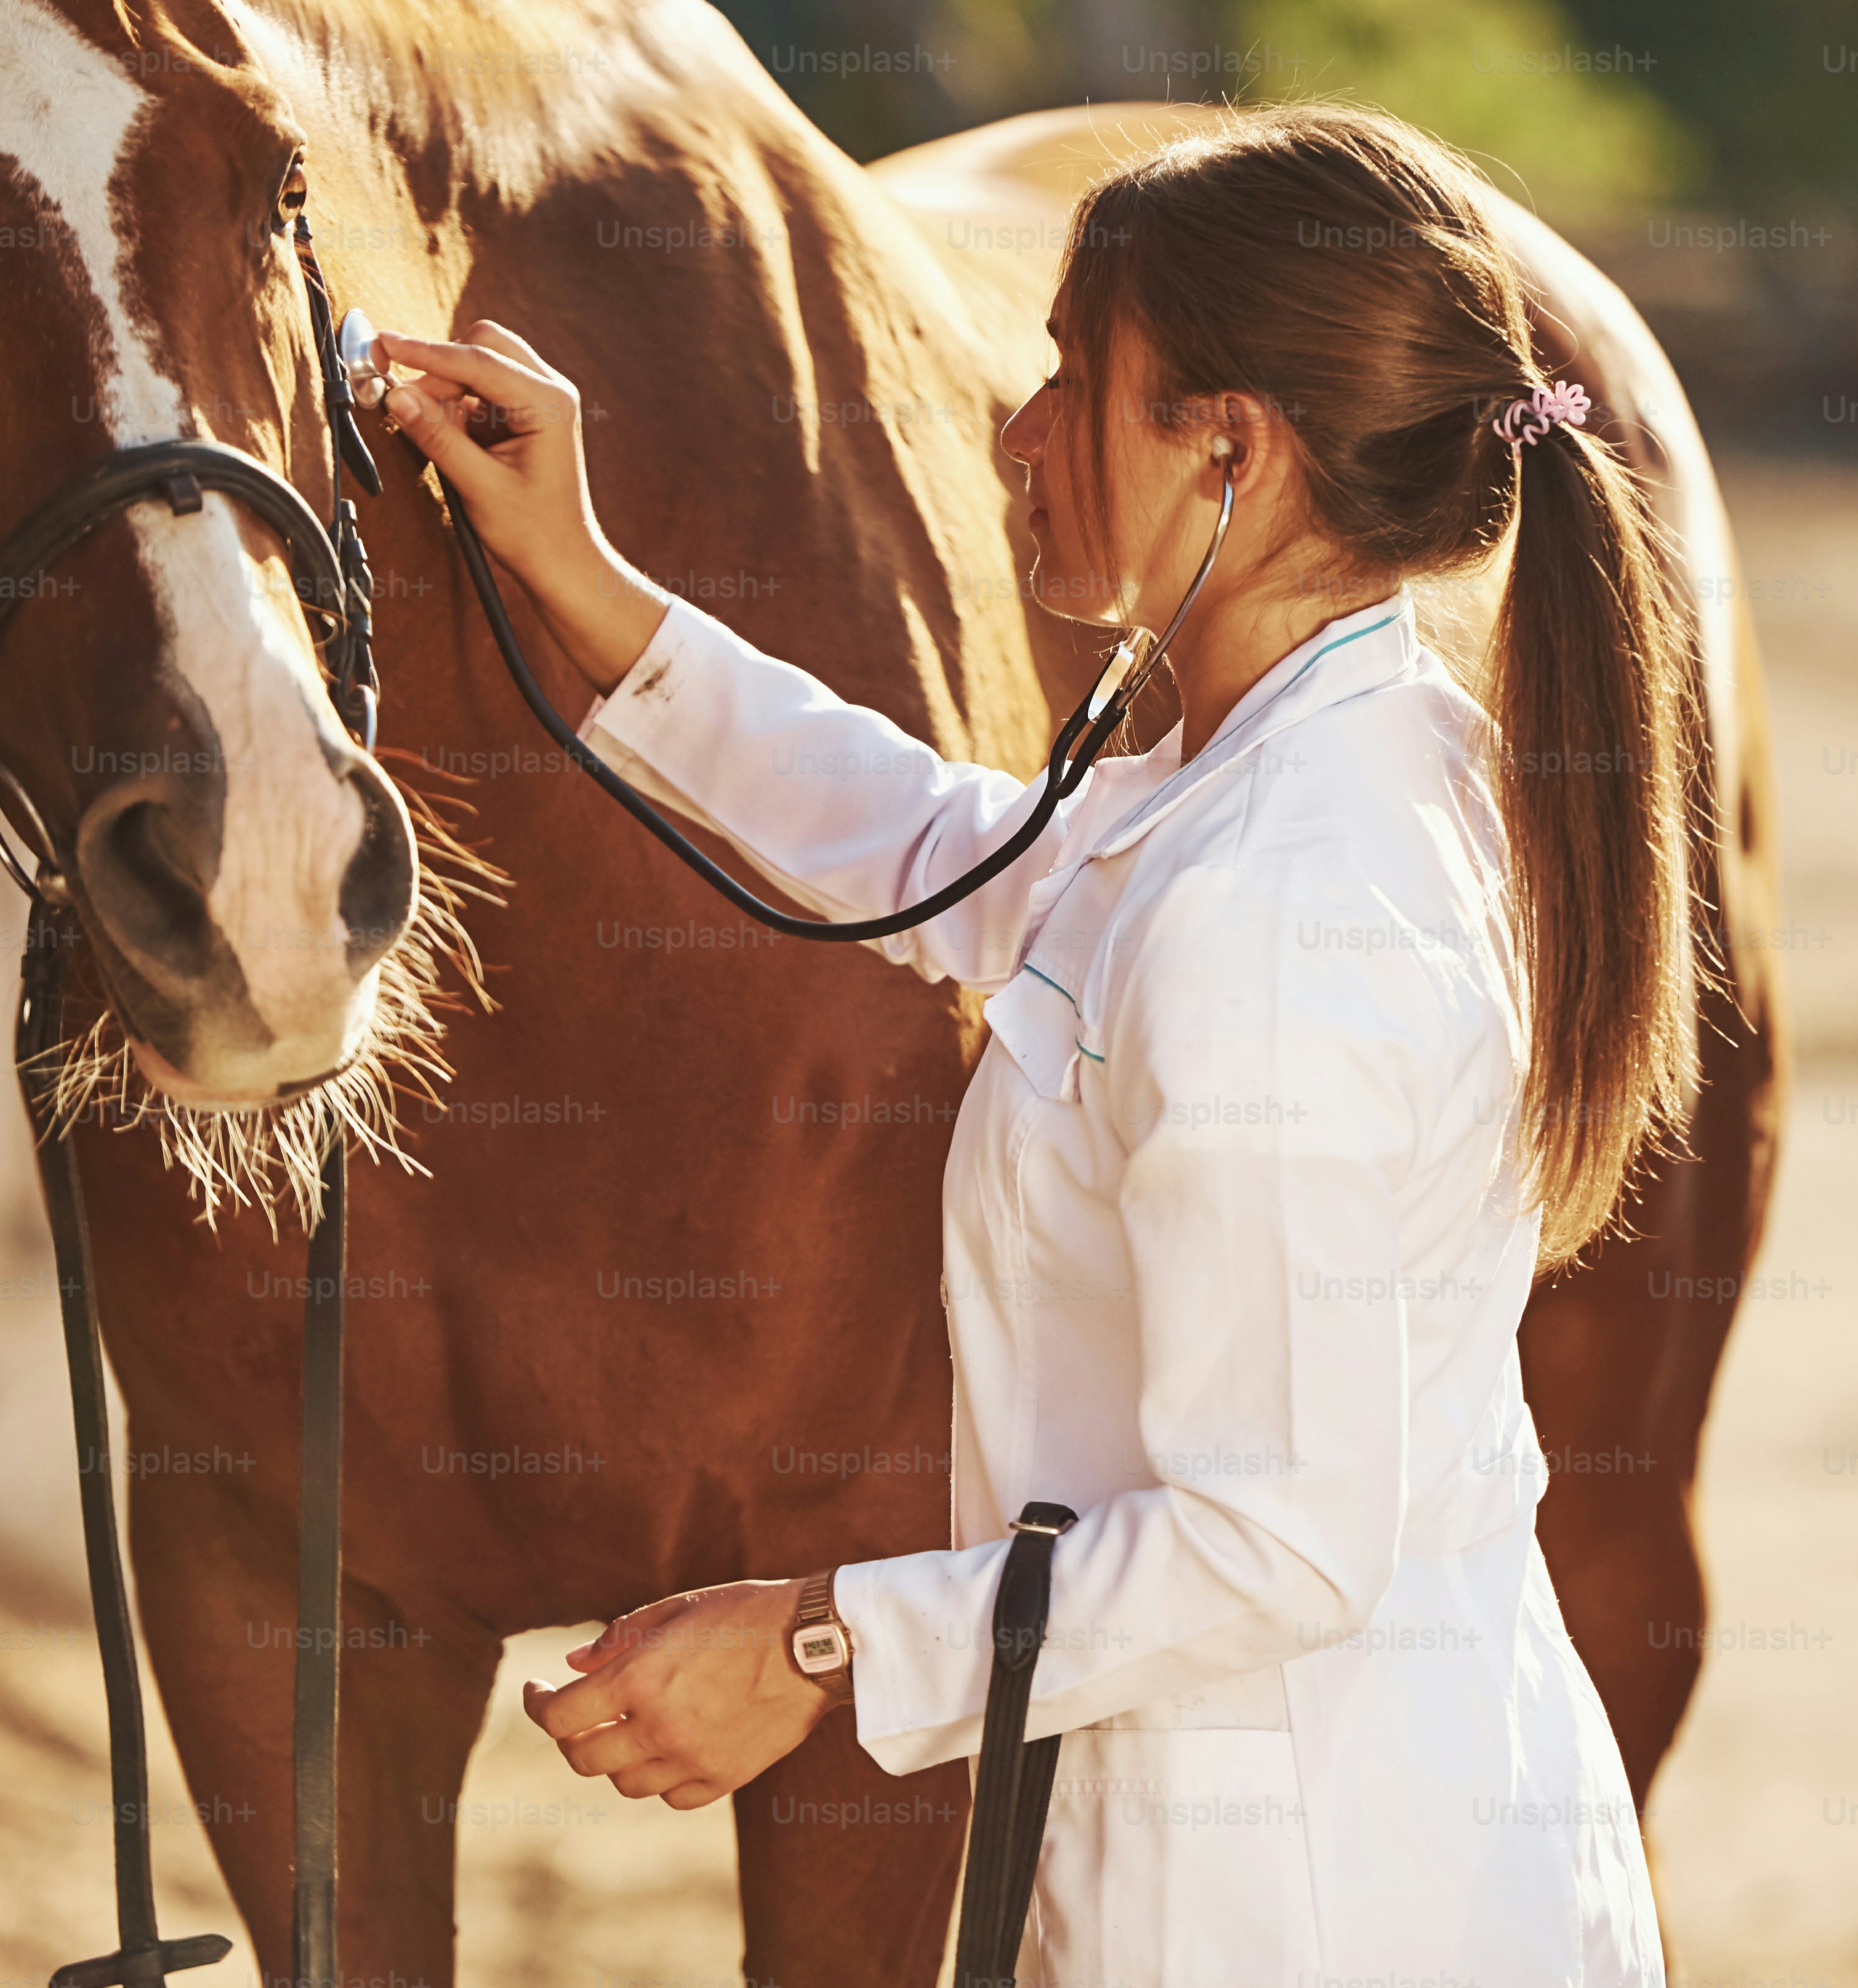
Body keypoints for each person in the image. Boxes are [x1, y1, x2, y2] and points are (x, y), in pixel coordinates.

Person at [372, 103, 1701, 1984]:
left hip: (1298, 1908)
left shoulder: (1277, 914)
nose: (1014, 432)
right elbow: (940, 851)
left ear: (1226, 450)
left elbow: (1285, 1541)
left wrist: (814, 1642)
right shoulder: (1306, 766)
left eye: (1073, 376)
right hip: (1283, 1841)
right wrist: (581, 577)